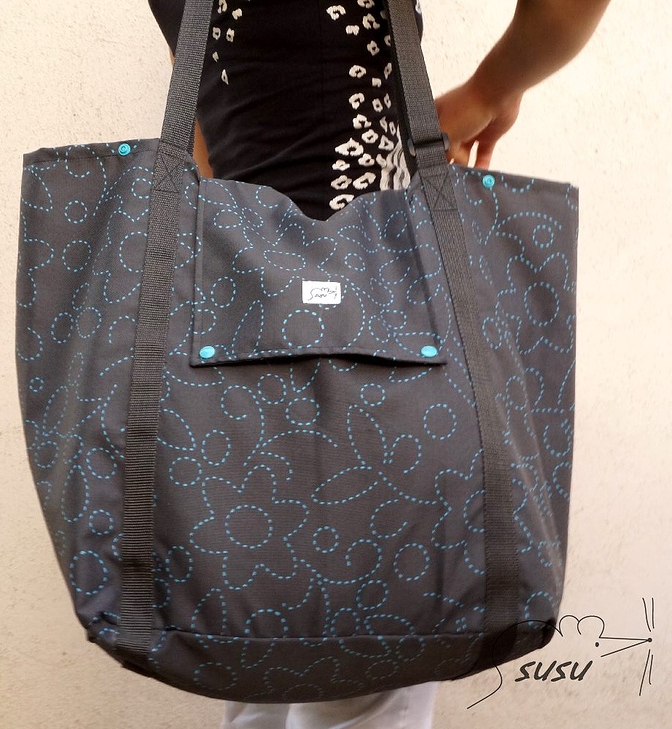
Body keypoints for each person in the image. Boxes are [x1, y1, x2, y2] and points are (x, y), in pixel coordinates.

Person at [148, 1, 609, 726]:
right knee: (375, 672)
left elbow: (205, 115)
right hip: (391, 333)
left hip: (239, 345)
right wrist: (491, 89)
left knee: (256, 651)